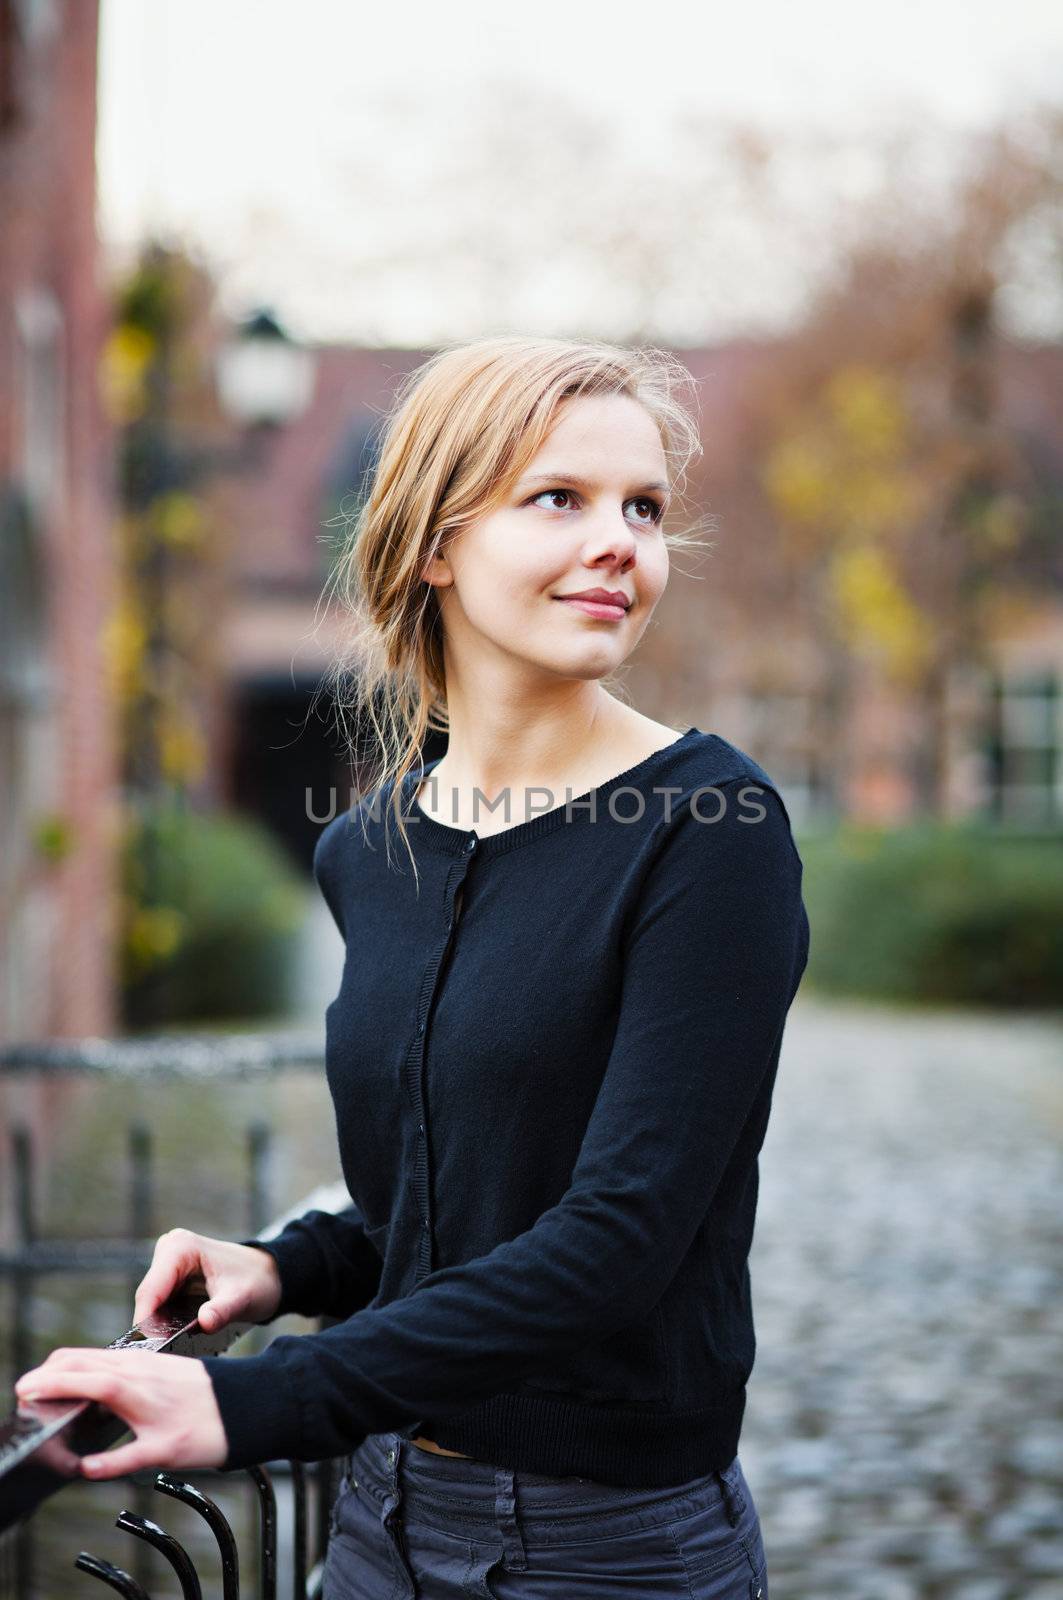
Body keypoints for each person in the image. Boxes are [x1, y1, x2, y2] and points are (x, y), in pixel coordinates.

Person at [16, 335, 808, 1598]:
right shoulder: (370, 847)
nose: (620, 542)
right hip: (381, 1518)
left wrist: (256, 1403)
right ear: (436, 545)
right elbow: (442, 1188)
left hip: (608, 1547)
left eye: (643, 508)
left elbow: (619, 1238)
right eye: (560, 497)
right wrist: (291, 1265)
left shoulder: (708, 827)